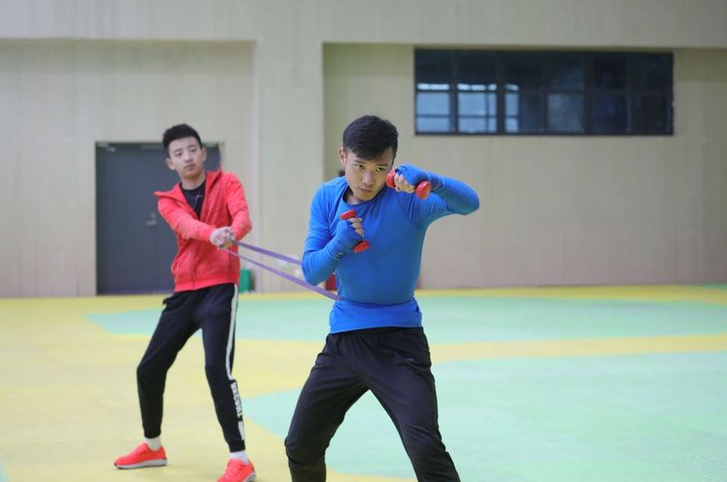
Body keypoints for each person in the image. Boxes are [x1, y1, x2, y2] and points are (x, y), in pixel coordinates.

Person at [284, 115, 479, 481]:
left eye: (380, 168)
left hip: (399, 343)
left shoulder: (409, 200)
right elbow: (310, 271)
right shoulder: (327, 197)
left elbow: (470, 203)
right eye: (359, 166)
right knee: (300, 445)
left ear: (392, 166)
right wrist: (340, 242)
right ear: (343, 157)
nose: (368, 179)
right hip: (344, 342)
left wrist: (431, 180)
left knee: (424, 446)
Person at [114, 124, 256, 482]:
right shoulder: (167, 200)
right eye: (179, 153)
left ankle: (240, 459)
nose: (187, 157)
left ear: (204, 153)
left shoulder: (228, 183)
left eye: (193, 150)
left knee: (216, 369)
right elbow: (186, 225)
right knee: (148, 368)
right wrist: (213, 233)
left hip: (220, 288)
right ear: (170, 163)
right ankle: (153, 446)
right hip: (185, 291)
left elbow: (242, 216)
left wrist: (233, 232)